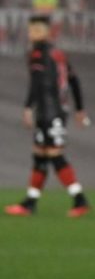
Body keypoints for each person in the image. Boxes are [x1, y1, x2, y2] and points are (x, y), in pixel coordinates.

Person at [6, 14, 89, 218]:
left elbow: (38, 83)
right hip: (56, 110)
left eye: (37, 29)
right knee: (40, 154)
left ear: (47, 31)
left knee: (54, 154)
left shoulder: (37, 53)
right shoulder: (58, 53)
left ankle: (79, 199)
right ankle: (30, 202)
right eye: (31, 29)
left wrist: (27, 107)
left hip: (49, 111)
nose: (32, 33)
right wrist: (79, 109)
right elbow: (74, 80)